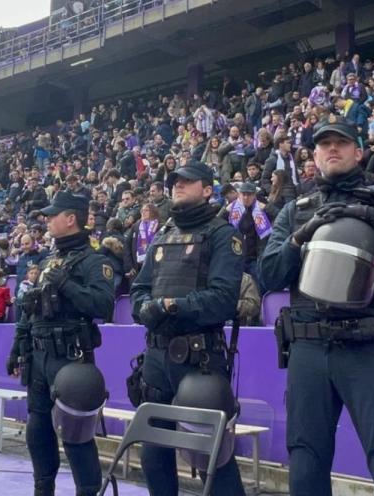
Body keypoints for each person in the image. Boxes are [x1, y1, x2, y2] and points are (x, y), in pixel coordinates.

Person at [260, 118, 374, 496]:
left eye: (341, 142)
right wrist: (299, 239)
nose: (332, 149)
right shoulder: (295, 210)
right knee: (305, 460)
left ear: (358, 152)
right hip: (307, 349)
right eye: (324, 145)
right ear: (314, 156)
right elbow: (267, 275)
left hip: (367, 348)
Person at [129, 160, 246, 496]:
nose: (177, 185)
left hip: (199, 357)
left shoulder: (224, 235)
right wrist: (144, 308)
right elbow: (140, 287)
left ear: (207, 189)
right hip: (156, 357)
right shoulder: (163, 235)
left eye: (187, 181)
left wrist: (172, 307)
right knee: (153, 454)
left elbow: (223, 298)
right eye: (174, 181)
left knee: (213, 456)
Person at [9, 190, 115, 496]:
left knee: (76, 434)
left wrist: (66, 285)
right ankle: (43, 489)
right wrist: (18, 346)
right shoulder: (49, 260)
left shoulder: (96, 262)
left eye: (53, 215)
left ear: (71, 219)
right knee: (38, 429)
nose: (47, 220)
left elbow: (102, 304)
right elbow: (32, 308)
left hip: (71, 357)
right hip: (39, 355)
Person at [221, 181, 273, 279]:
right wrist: (225, 210)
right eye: (243, 194)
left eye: (249, 195)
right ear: (239, 194)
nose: (246, 198)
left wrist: (268, 208)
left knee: (259, 283)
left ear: (254, 195)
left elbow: (279, 217)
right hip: (235, 255)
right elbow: (216, 222)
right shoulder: (232, 209)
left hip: (255, 257)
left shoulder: (262, 207)